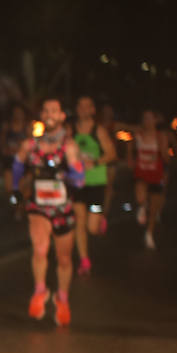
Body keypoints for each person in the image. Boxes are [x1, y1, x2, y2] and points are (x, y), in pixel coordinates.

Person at [14, 97, 85, 326]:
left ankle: (62, 298)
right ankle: (40, 290)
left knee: (64, 258)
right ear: (41, 115)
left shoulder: (69, 146)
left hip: (62, 209)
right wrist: (16, 189)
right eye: (46, 110)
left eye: (55, 110)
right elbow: (17, 165)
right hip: (38, 206)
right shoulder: (30, 145)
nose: (50, 114)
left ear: (62, 115)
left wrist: (67, 176)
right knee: (40, 248)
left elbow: (80, 179)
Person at [70, 95, 116, 273]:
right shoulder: (71, 131)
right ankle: (84, 260)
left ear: (92, 110)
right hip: (78, 182)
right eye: (80, 106)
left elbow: (112, 154)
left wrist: (94, 163)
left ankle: (100, 219)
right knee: (79, 221)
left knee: (92, 228)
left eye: (87, 106)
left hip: (96, 182)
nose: (83, 109)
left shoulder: (99, 131)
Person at [130, 109, 170, 250]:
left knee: (154, 208)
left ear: (155, 120)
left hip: (156, 173)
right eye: (144, 118)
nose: (146, 121)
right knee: (140, 197)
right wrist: (130, 159)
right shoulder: (138, 134)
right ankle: (142, 205)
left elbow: (165, 157)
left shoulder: (161, 136)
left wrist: (163, 154)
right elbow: (132, 150)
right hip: (141, 172)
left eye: (149, 118)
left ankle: (149, 234)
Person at [0, 103, 31, 218]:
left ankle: (21, 207)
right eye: (16, 112)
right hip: (10, 160)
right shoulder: (7, 126)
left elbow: (31, 142)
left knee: (23, 187)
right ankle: (16, 204)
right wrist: (4, 150)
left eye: (20, 112)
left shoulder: (27, 127)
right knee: (10, 187)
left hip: (23, 161)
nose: (18, 115)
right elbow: (2, 141)